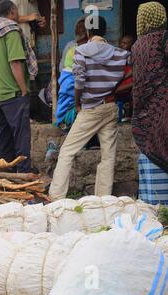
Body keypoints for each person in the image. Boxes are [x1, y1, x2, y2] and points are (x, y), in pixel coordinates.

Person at [49, 15, 129, 201]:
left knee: (67, 151)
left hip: (90, 109)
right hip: (110, 107)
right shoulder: (120, 54)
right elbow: (131, 73)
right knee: (108, 155)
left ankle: (56, 196)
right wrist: (114, 90)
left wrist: (77, 103)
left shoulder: (81, 51)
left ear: (88, 32)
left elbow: (79, 81)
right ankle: (103, 200)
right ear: (104, 31)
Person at [0, 0, 38, 173]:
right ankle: (23, 176)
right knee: (21, 138)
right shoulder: (12, 31)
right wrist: (23, 89)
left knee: (5, 139)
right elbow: (15, 62)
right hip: (11, 92)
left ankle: (5, 178)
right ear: (12, 12)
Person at [131, 1, 168, 205]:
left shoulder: (137, 46)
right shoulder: (164, 39)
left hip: (145, 120)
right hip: (164, 116)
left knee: (150, 163)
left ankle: (154, 214)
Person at [116, 35, 136, 122]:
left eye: (125, 43)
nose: (121, 45)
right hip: (122, 81)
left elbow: (133, 70)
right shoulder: (117, 55)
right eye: (121, 42)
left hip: (129, 83)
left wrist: (124, 79)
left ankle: (130, 115)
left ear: (132, 46)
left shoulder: (133, 56)